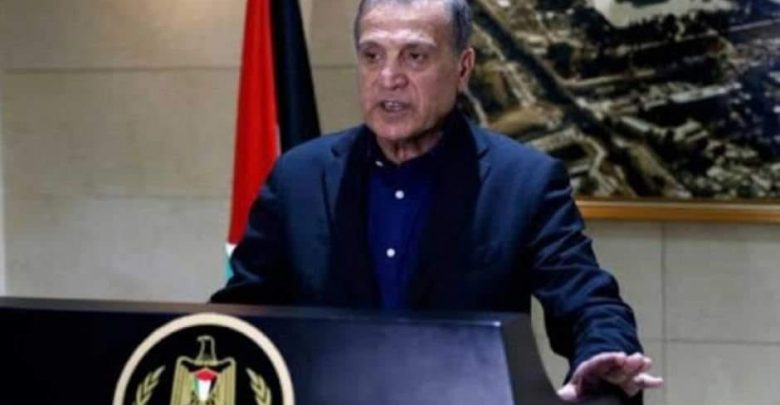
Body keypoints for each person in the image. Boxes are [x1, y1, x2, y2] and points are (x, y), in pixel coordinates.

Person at [212, 0, 663, 401]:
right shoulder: (298, 177)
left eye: (415, 56)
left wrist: (603, 358)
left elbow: (588, 302)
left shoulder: (523, 181)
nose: (388, 78)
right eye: (372, 56)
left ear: (462, 68)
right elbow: (242, 314)